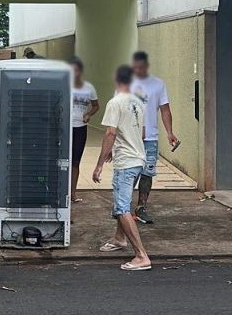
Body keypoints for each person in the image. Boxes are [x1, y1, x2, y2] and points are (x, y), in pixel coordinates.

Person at [93, 65, 151, 271]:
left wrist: (99, 164)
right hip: (138, 159)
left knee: (121, 208)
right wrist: (120, 147)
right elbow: (141, 133)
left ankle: (141, 255)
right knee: (123, 201)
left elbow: (110, 133)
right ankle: (119, 239)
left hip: (126, 163)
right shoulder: (138, 102)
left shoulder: (115, 102)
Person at [131, 51, 178, 224]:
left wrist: (169, 132)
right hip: (131, 138)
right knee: (129, 173)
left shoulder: (158, 85)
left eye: (142, 67)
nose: (139, 70)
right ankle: (123, 208)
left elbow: (165, 109)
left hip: (150, 138)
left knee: (147, 173)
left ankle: (141, 207)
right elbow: (118, 111)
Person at [68, 57, 99, 202]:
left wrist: (88, 114)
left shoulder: (89, 88)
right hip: (65, 128)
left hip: (80, 128)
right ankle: (62, 193)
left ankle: (73, 193)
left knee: (75, 161)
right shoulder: (65, 85)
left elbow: (96, 106)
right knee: (63, 161)